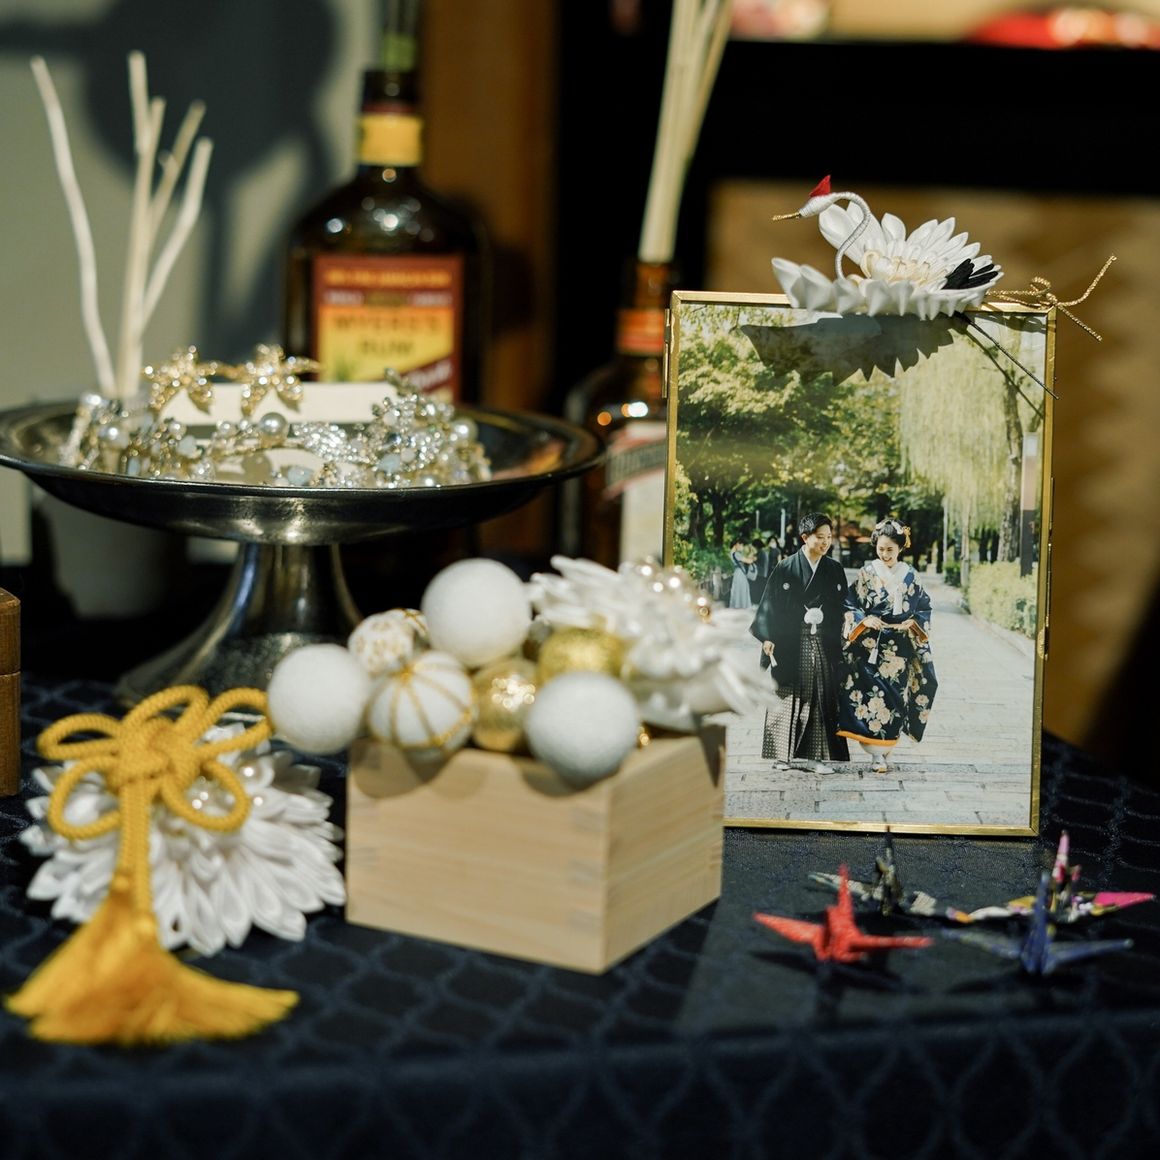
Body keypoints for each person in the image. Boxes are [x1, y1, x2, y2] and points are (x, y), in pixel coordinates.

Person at [749, 512, 850, 772]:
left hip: (822, 641)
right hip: (789, 640)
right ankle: (782, 755)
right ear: (805, 537)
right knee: (787, 694)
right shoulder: (785, 568)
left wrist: (848, 619)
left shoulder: (834, 569)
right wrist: (767, 637)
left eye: (829, 537)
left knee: (820, 695)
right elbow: (769, 606)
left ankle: (817, 757)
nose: (826, 542)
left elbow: (844, 604)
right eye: (820, 537)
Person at [837, 518, 938, 774]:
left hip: (900, 649)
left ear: (901, 548)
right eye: (880, 549)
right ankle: (876, 756)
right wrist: (864, 619)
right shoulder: (867, 572)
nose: (885, 554)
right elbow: (849, 603)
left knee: (895, 699)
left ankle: (884, 750)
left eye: (890, 549)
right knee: (874, 697)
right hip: (870, 646)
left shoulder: (911, 575)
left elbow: (924, 606)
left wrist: (914, 622)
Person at [750, 533, 781, 603]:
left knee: (759, 588)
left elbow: (752, 559)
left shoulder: (761, 552)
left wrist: (751, 552)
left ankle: (757, 601)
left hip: (761, 573)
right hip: (765, 572)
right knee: (762, 588)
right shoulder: (765, 551)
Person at [728, 541, 757, 609]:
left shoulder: (733, 553)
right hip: (739, 573)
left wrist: (751, 554)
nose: (742, 547)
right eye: (742, 545)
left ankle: (738, 605)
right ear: (737, 544)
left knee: (739, 588)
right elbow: (748, 561)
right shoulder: (736, 554)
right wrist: (752, 557)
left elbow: (745, 559)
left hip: (738, 572)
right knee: (742, 588)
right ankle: (742, 605)